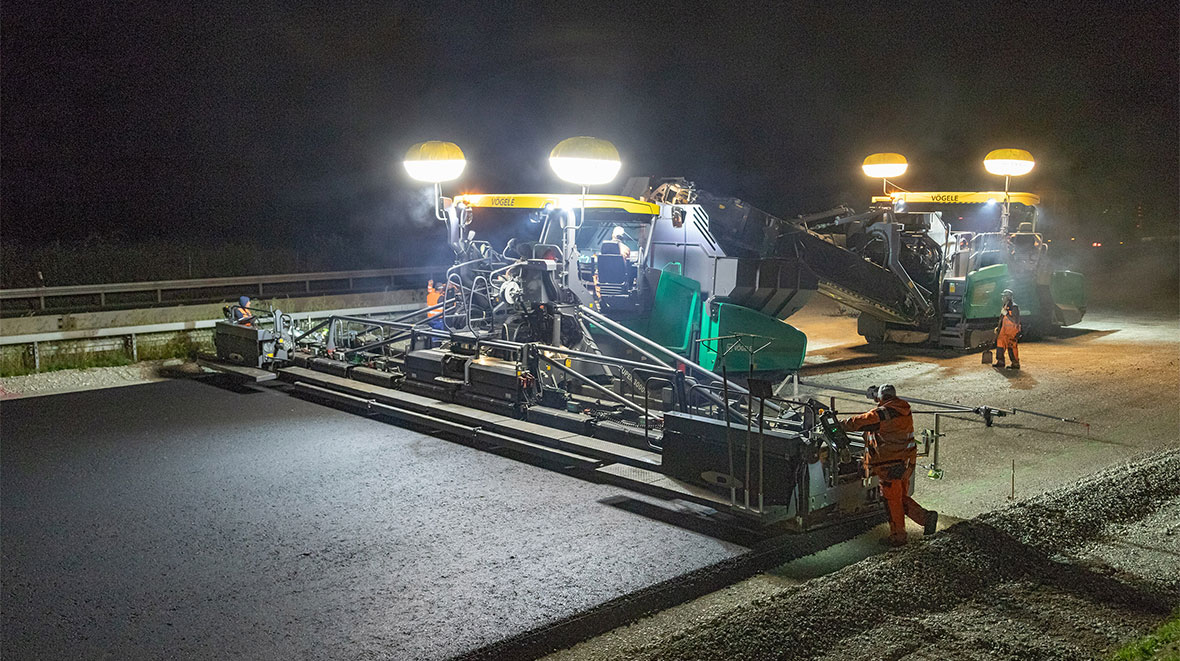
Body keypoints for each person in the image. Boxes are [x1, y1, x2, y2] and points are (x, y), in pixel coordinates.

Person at [841, 384, 938, 547]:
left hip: (891, 464)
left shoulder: (884, 413)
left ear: (881, 397)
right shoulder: (903, 408)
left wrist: (839, 425)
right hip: (906, 462)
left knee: (892, 501)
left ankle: (899, 537)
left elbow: (860, 422)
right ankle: (925, 518)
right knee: (899, 498)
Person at [995, 289, 1021, 369]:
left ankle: (1015, 363)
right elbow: (1001, 319)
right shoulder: (1005, 306)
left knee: (1011, 347)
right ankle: (1000, 361)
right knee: (1000, 345)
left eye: (1004, 296)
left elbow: (1015, 320)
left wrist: (1006, 314)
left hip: (1012, 330)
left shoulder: (1014, 307)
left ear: (1008, 297)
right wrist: (998, 328)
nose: (1002, 298)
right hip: (1004, 330)